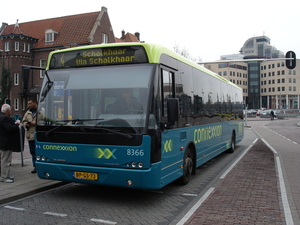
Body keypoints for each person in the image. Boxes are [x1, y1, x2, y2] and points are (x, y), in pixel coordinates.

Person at [0, 104, 21, 183]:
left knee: (4, 160)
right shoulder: (4, 117)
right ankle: (4, 177)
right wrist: (17, 124)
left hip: (2, 142)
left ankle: (6, 175)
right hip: (6, 142)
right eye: (10, 110)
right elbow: (9, 128)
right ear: (7, 110)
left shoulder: (1, 116)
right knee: (6, 160)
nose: (11, 111)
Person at [22, 98, 38, 173]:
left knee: (39, 152)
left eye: (30, 103)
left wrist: (36, 123)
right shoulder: (27, 113)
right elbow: (23, 122)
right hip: (30, 136)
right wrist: (26, 124)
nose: (29, 105)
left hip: (38, 136)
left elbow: (45, 121)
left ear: (35, 103)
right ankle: (35, 166)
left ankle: (40, 166)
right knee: (33, 152)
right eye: (28, 104)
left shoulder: (41, 111)